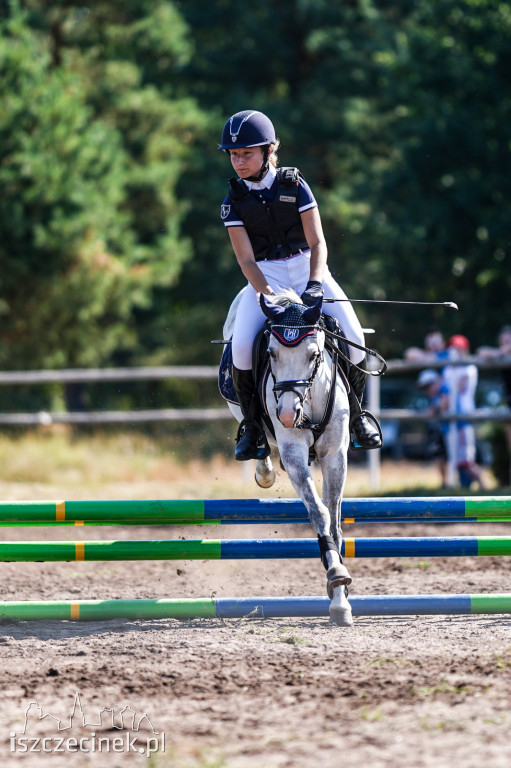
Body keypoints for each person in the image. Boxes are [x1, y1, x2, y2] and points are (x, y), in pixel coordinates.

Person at [219, 109, 381, 460]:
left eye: (247, 153)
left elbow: (319, 242)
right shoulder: (233, 201)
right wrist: (267, 295)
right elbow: (246, 260)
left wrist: (315, 284)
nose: (239, 161)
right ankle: (251, 427)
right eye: (234, 154)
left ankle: (357, 416)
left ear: (267, 151)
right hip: (264, 277)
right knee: (242, 347)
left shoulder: (294, 185)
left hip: (308, 267)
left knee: (355, 336)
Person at [444, 335, 485, 489]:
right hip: (452, 415)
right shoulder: (449, 367)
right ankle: (460, 486)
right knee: (455, 456)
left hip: (464, 415)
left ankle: (483, 486)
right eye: (452, 347)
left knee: (466, 457)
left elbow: (459, 387)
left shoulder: (468, 367)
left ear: (465, 349)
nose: (453, 351)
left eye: (457, 348)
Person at [477, 326, 511, 484]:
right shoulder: (501, 356)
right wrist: (501, 352)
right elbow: (481, 352)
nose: (507, 344)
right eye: (504, 342)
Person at [416, 369, 450, 486]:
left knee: (450, 456)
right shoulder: (433, 397)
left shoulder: (444, 390)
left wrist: (434, 409)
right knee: (439, 455)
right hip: (439, 429)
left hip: (448, 429)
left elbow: (444, 406)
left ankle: (451, 482)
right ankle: (445, 482)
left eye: (428, 386)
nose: (427, 391)